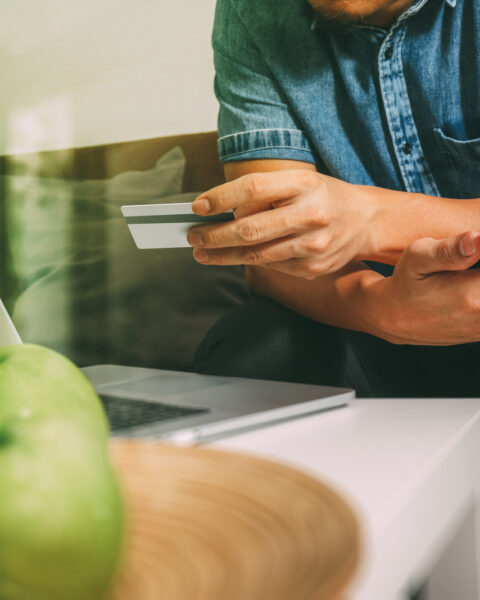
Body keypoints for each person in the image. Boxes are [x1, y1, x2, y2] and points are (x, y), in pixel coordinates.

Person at [190, 0, 480, 398]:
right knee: (254, 346)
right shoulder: (250, 10)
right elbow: (273, 254)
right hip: (367, 323)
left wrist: (372, 220)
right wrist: (381, 309)